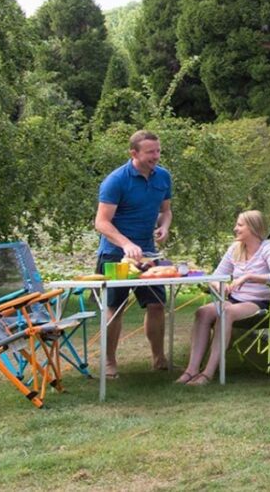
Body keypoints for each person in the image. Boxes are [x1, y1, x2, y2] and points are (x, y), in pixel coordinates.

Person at [94, 130, 172, 378]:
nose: (156, 156)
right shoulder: (116, 180)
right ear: (134, 153)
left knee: (157, 305)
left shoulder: (163, 177)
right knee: (115, 307)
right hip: (114, 254)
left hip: (148, 254)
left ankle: (159, 358)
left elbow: (166, 211)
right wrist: (125, 243)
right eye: (150, 152)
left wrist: (164, 226)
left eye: (158, 151)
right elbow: (102, 222)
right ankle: (108, 362)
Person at [177, 210, 270, 386]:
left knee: (226, 312)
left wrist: (248, 276)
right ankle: (191, 370)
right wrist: (222, 287)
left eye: (240, 225)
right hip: (235, 299)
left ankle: (208, 373)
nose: (235, 228)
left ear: (253, 227)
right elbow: (216, 277)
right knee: (202, 312)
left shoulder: (268, 248)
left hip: (261, 302)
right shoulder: (235, 249)